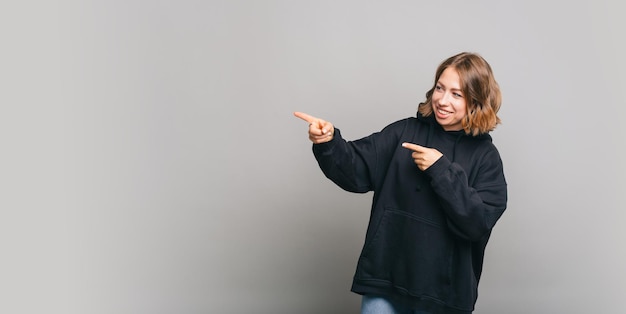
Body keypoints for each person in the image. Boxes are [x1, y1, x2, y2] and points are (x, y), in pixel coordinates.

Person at [293, 52, 507, 314]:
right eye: (440, 88)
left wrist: (441, 170)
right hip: (385, 281)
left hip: (442, 296)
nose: (442, 100)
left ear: (476, 101)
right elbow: (355, 169)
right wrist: (327, 142)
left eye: (456, 94)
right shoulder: (403, 132)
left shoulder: (486, 158)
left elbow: (477, 223)